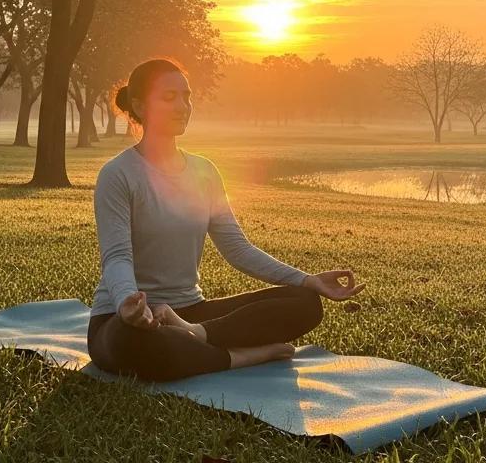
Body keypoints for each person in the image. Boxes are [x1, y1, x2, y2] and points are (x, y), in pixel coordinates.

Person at [87, 56, 366, 382]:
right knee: (135, 343)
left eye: (187, 96)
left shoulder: (204, 172)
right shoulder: (118, 175)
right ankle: (240, 356)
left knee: (305, 302)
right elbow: (117, 257)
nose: (183, 106)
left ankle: (197, 336)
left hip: (189, 313)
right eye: (169, 97)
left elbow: (237, 249)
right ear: (139, 105)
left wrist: (307, 279)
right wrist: (127, 305)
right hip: (123, 319)